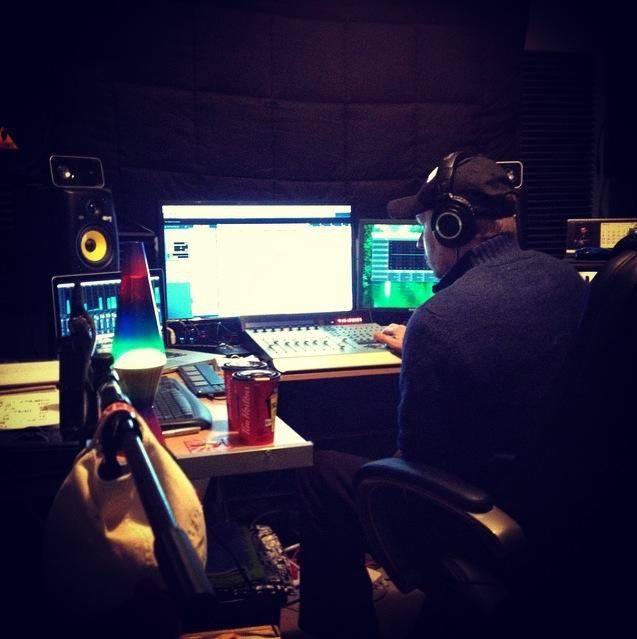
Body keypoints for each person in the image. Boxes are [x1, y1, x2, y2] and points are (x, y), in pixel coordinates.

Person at [295, 151, 587, 639]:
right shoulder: (567, 281)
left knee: (320, 472)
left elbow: (415, 465)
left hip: (476, 523)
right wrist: (421, 342)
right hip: (560, 515)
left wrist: (424, 340)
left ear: (451, 227)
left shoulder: (438, 321)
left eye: (424, 226)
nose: (421, 239)